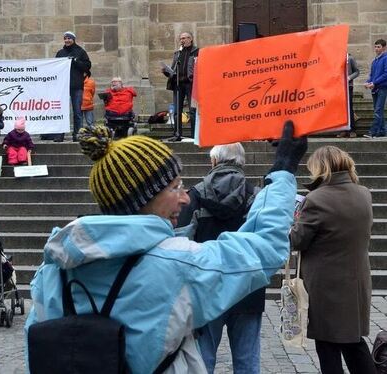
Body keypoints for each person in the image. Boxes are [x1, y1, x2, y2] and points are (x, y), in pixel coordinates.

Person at [25, 121, 307, 373]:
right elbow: (264, 248)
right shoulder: (176, 265)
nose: (185, 198)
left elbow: (38, 351)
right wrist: (283, 168)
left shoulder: (52, 271)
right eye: (175, 187)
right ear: (143, 198)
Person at [176, 143, 263, 374]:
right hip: (248, 286)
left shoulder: (194, 195)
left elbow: (181, 243)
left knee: (202, 361)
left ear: (214, 162)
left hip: (207, 287)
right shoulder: (257, 196)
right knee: (248, 363)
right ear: (241, 162)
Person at [290, 146, 375, 374]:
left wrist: (292, 219)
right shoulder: (363, 193)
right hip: (356, 281)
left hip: (326, 285)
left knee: (327, 347)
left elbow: (298, 240)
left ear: (320, 168)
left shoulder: (317, 199)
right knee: (353, 341)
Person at [52, 31, 91, 142]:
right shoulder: (60, 53)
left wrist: (76, 61)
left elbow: (87, 66)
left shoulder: (80, 52)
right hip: (63, 87)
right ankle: (60, 135)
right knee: (61, 111)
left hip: (76, 86)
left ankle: (77, 134)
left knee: (77, 112)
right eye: (65, 38)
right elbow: (54, 67)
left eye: (69, 38)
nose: (67, 40)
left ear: (73, 39)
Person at [163, 32, 199, 139]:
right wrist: (166, 72)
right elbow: (173, 69)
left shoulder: (197, 52)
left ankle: (194, 135)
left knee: (192, 110)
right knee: (177, 111)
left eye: (185, 38)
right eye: (181, 38)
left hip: (191, 84)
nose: (183, 40)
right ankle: (177, 134)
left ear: (191, 39)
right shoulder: (177, 53)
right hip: (178, 84)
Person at [364, 39, 387, 138]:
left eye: (379, 47)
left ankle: (373, 132)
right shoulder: (374, 61)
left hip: (382, 88)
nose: (376, 49)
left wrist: (374, 82)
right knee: (378, 111)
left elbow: (386, 74)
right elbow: (372, 75)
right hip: (374, 88)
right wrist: (368, 82)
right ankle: (382, 131)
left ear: (384, 47)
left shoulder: (386, 58)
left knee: (378, 110)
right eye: (376, 47)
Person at [338, 53, 360, 138]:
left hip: (348, 86)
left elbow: (357, 71)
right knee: (341, 109)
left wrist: (349, 78)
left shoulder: (350, 58)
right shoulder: (336, 59)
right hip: (338, 87)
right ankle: (343, 129)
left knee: (349, 108)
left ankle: (352, 130)